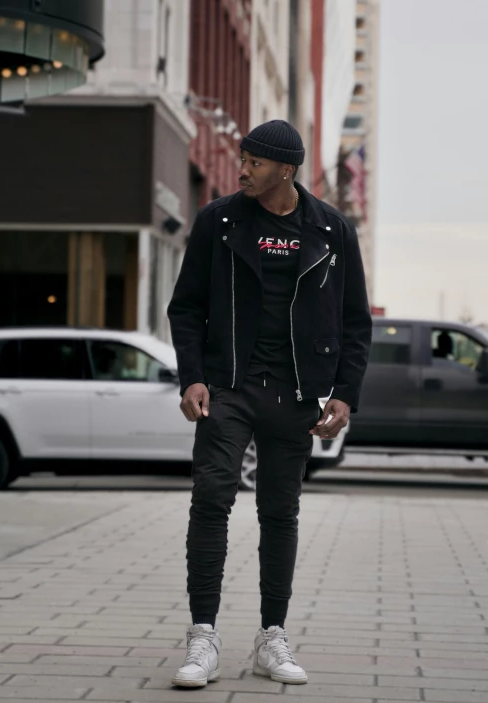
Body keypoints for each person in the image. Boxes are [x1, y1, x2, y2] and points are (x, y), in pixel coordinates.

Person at [168, 120, 372, 688]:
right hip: (229, 386)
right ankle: (203, 637)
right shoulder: (220, 220)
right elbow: (186, 307)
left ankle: (272, 637)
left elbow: (356, 321)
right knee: (212, 498)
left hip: (297, 393)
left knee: (279, 513)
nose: (243, 170)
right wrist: (192, 378)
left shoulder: (332, 230)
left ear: (286, 169)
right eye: (243, 159)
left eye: (254, 163)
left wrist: (346, 394)